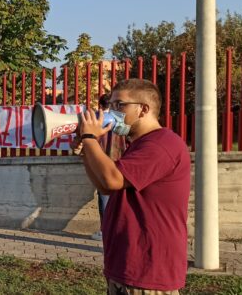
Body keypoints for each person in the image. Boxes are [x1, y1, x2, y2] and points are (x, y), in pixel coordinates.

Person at [75, 79, 190, 294]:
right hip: (126, 266)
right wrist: (85, 150)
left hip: (147, 272)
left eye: (120, 105)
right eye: (110, 105)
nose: (112, 111)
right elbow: (106, 187)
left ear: (143, 109)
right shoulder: (139, 145)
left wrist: (89, 137)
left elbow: (112, 179)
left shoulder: (161, 143)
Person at [90, 93, 125, 242]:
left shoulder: (96, 119)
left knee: (104, 197)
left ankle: (105, 230)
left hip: (102, 160)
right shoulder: (120, 119)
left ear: (101, 104)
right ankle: (118, 229)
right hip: (120, 159)